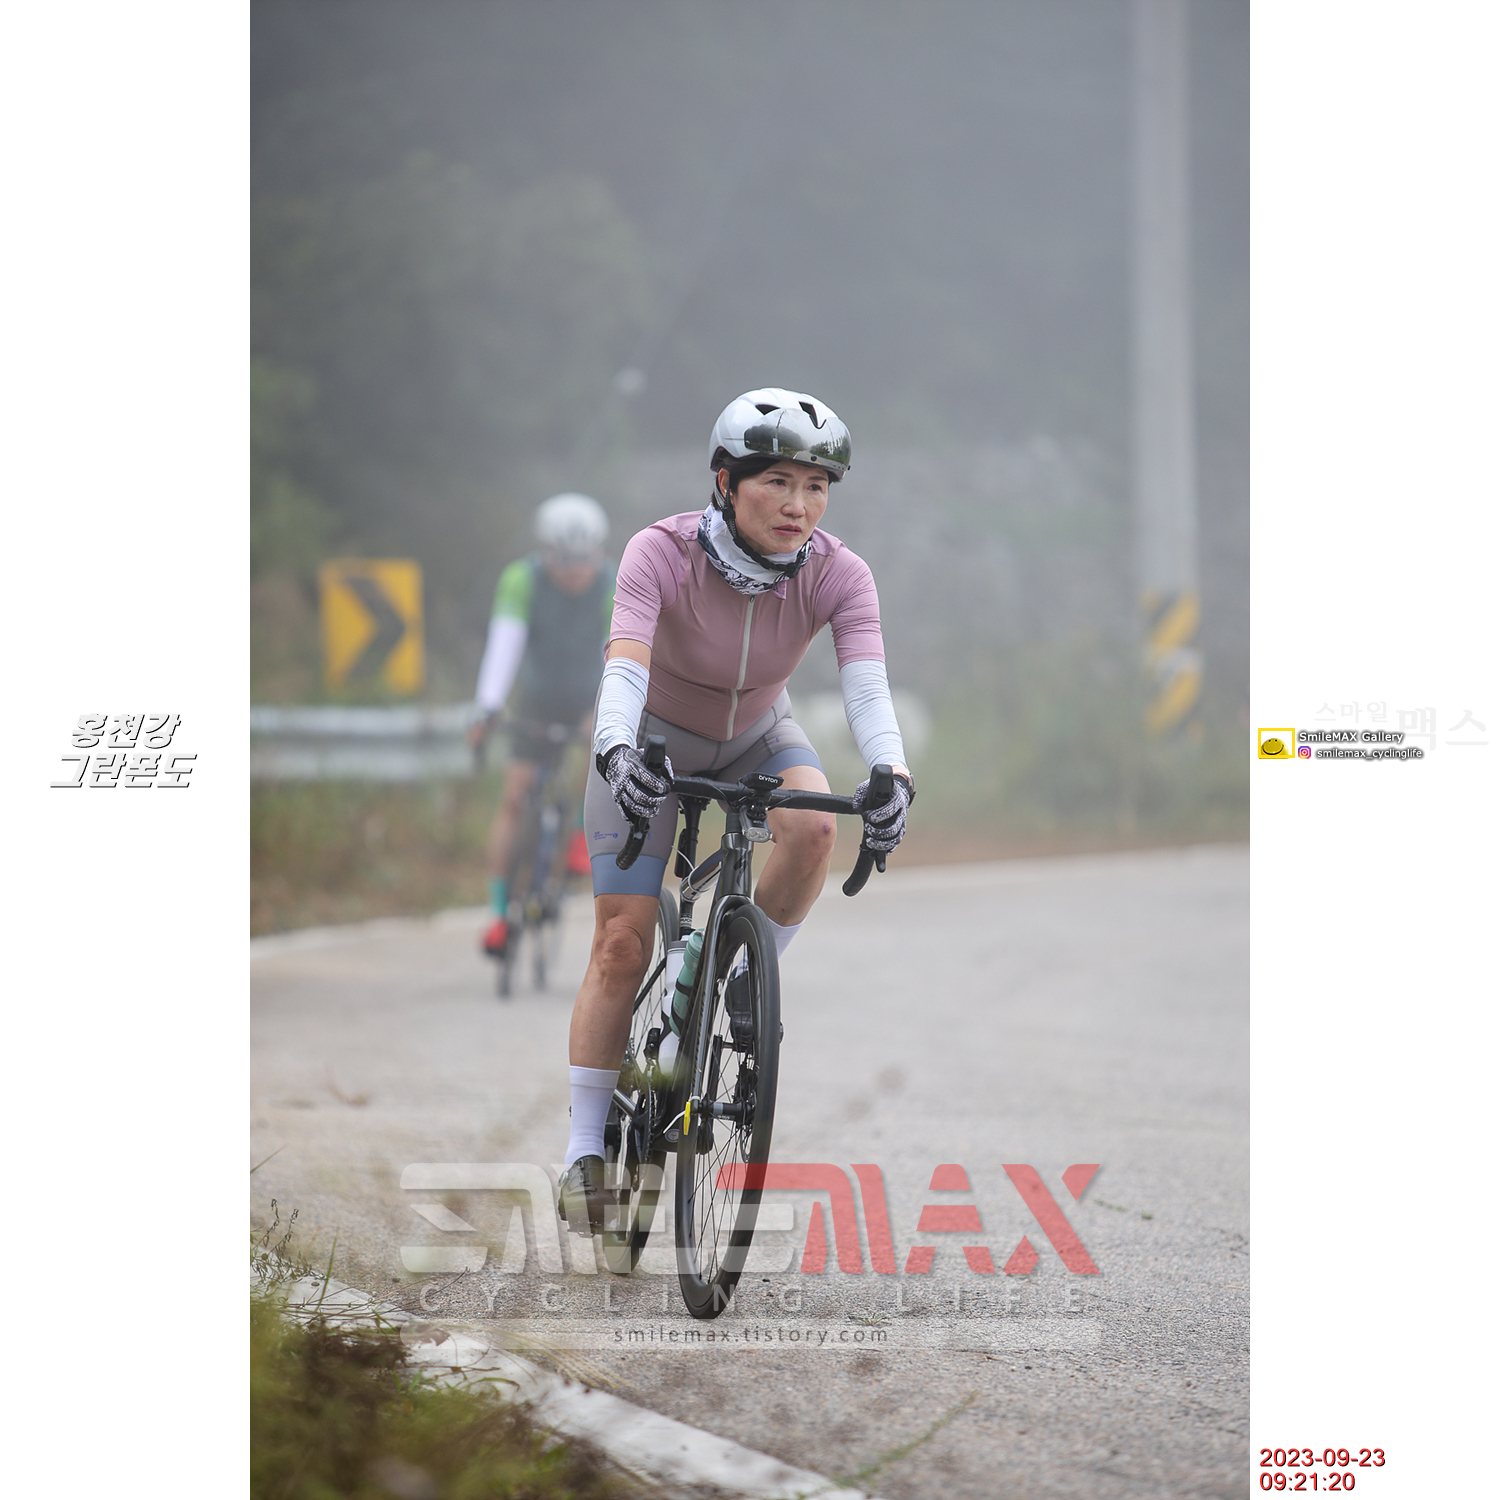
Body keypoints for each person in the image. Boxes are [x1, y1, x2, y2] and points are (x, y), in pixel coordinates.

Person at [557, 389, 913, 1234]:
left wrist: (893, 773)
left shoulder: (840, 573)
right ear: (725, 481)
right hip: (651, 742)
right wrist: (616, 750)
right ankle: (583, 1148)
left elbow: (867, 686)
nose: (799, 506)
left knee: (816, 826)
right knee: (620, 945)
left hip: (758, 734)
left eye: (817, 487)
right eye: (777, 482)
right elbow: (625, 664)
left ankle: (744, 974)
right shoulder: (660, 552)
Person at [469, 493, 615, 958]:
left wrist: (606, 709)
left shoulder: (613, 582)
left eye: (585, 560)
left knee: (602, 746)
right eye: (565, 561)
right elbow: (505, 646)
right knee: (515, 797)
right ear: (545, 553)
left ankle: (580, 833)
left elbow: (616, 651)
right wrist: (488, 707)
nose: (576, 572)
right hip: (537, 699)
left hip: (590, 694)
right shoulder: (522, 580)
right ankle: (497, 912)